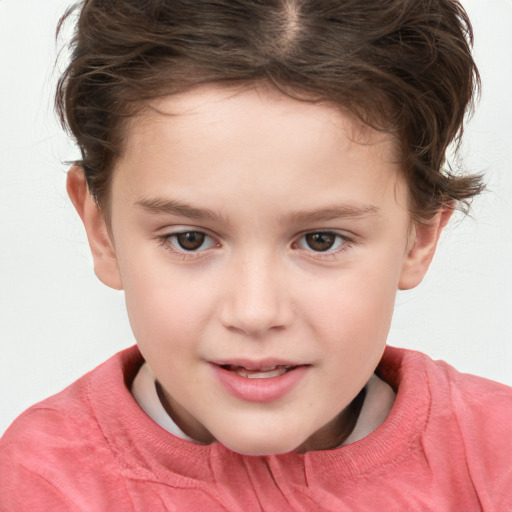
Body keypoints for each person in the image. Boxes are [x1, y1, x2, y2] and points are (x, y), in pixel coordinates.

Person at [0, 0, 510, 509]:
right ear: (101, 229)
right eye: (190, 239)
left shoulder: (497, 457)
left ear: (419, 236)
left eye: (320, 240)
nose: (255, 312)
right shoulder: (41, 484)